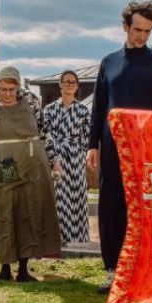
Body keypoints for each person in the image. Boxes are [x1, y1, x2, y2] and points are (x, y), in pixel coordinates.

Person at [86, 0, 152, 292]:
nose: (142, 36)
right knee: (112, 205)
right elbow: (99, 106)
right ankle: (113, 270)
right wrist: (92, 144)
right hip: (113, 147)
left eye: (147, 31)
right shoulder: (109, 62)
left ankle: (144, 269)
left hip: (148, 148)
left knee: (146, 207)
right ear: (125, 26)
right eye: (137, 29)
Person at [0, 66, 61, 281]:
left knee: (29, 211)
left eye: (12, 89)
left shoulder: (30, 102)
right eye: (3, 88)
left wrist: (55, 161)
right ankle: (4, 268)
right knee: (5, 210)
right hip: (6, 163)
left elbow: (43, 132)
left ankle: (23, 269)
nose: (8, 93)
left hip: (33, 161)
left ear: (19, 88)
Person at [42, 69, 91, 246]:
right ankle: (57, 237)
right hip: (55, 157)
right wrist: (53, 156)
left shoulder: (83, 110)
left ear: (77, 86)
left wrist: (82, 154)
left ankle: (76, 238)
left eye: (73, 82)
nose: (70, 84)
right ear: (60, 85)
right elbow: (45, 135)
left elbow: (87, 137)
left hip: (76, 157)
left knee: (76, 194)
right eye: (67, 81)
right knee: (58, 196)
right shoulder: (49, 110)